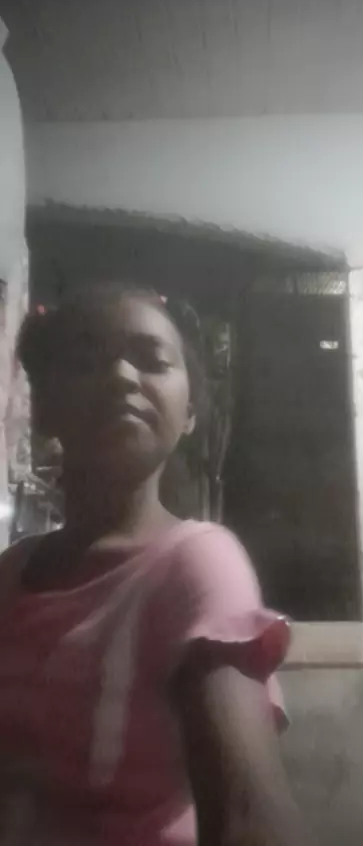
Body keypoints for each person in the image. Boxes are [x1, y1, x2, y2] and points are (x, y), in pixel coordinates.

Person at [0, 286, 303, 846]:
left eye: (152, 360)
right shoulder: (11, 573)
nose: (121, 376)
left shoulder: (197, 562)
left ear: (188, 413)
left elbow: (248, 817)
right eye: (86, 361)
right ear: (42, 407)